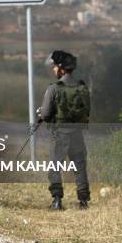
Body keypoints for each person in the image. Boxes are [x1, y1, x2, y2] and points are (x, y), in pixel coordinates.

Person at [40, 50, 91, 210]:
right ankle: (83, 202)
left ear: (61, 68)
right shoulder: (83, 88)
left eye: (55, 67)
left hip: (60, 135)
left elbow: (46, 114)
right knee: (79, 167)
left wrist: (40, 113)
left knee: (55, 167)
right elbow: (87, 112)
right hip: (77, 134)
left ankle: (57, 200)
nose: (54, 69)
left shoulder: (54, 88)